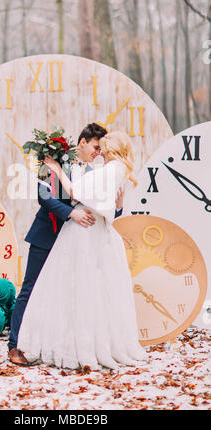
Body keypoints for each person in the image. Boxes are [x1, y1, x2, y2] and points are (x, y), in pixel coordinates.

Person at [16, 130, 147, 370]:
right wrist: (58, 176)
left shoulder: (102, 170)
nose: (99, 154)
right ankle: (17, 345)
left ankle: (72, 344)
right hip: (49, 233)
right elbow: (44, 197)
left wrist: (117, 207)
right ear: (83, 143)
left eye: (103, 150)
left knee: (76, 293)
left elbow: (97, 204)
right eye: (96, 148)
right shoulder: (71, 163)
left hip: (82, 236)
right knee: (34, 288)